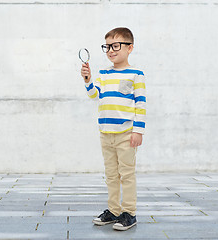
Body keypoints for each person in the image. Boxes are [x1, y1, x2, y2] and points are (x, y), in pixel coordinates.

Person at [80, 27, 146, 231]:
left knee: (126, 174)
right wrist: (88, 80)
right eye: (107, 46)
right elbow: (94, 95)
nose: (110, 50)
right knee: (111, 174)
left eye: (115, 45)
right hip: (105, 133)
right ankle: (114, 210)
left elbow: (140, 104)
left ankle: (129, 212)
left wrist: (138, 131)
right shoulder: (103, 73)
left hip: (126, 133)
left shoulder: (136, 74)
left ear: (130, 48)